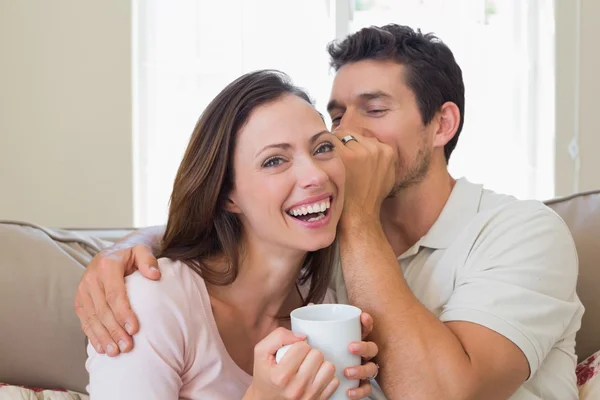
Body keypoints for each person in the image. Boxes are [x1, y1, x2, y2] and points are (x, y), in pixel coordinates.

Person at [76, 25, 584, 399]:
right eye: (337, 117)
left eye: (375, 109)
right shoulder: (314, 247)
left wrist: (359, 219)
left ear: (441, 124)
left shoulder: (522, 232)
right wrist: (123, 254)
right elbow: (234, 225)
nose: (349, 136)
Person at [85, 70, 379, 399]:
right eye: (275, 161)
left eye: (323, 148)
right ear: (228, 195)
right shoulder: (152, 303)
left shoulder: (326, 305)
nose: (315, 175)